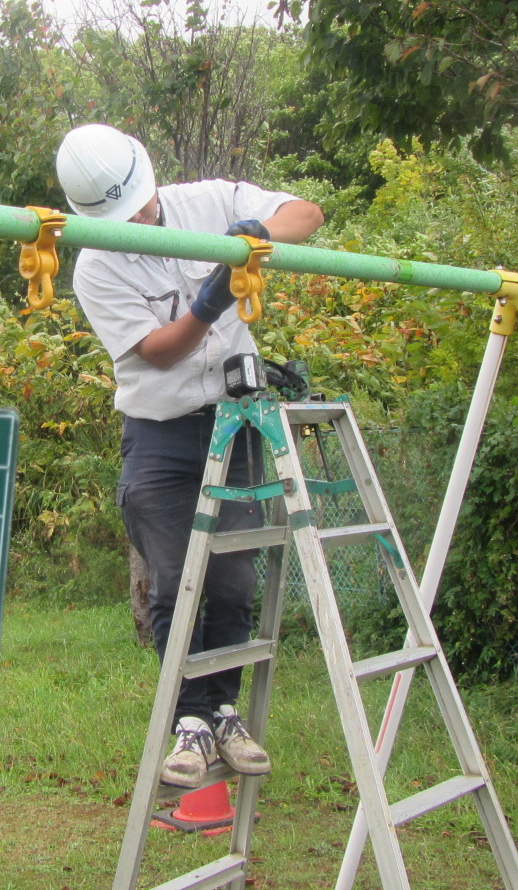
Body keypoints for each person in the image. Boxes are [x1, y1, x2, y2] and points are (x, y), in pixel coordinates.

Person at [54, 123, 324, 787]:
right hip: (161, 431)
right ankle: (191, 723)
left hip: (235, 420)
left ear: (149, 177)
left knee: (234, 576)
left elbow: (307, 213)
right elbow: (161, 351)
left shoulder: (208, 200)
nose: (140, 217)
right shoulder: (96, 265)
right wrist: (212, 297)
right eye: (123, 214)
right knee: (177, 579)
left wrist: (255, 235)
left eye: (142, 203)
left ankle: (226, 711)